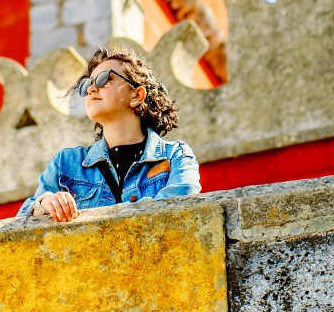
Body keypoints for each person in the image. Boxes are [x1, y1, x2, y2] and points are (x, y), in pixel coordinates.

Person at [19, 48, 200, 222]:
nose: (91, 89)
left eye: (103, 79)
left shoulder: (175, 155)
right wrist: (45, 204)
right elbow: (19, 224)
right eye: (87, 85)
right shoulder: (66, 164)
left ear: (137, 95)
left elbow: (176, 209)